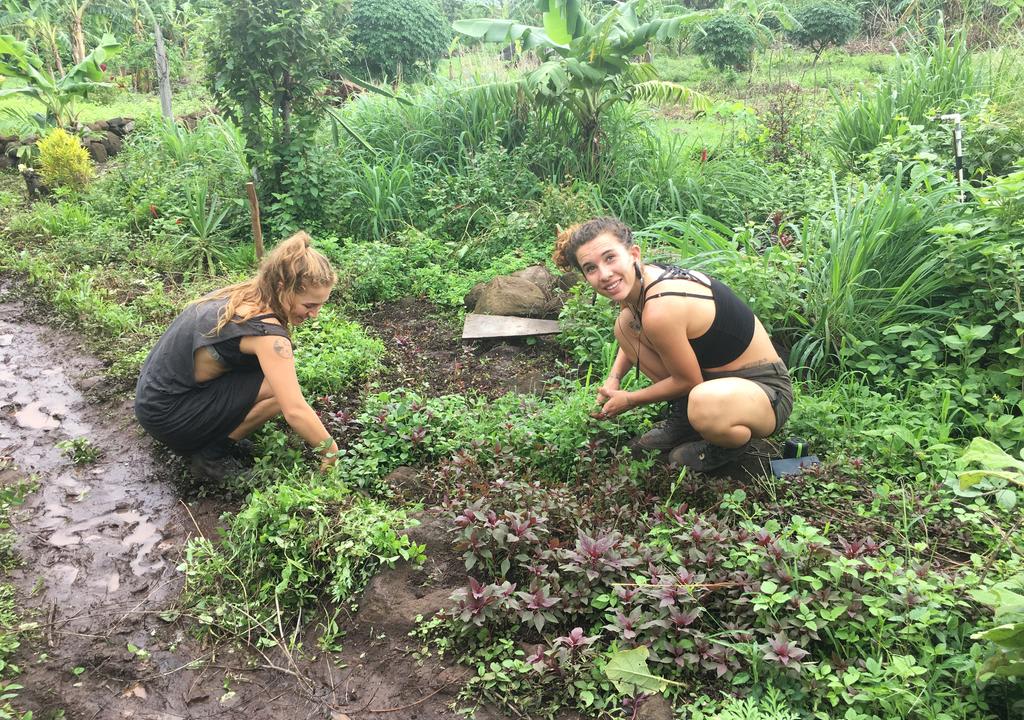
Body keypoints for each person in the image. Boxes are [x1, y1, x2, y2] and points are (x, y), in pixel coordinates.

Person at [553, 217, 793, 472]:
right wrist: (614, 378)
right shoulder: (640, 281)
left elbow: (688, 381)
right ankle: (686, 419)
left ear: (634, 254)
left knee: (702, 400)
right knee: (625, 326)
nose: (604, 274)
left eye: (610, 258)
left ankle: (727, 445)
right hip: (716, 378)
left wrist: (630, 400)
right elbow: (631, 333)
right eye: (591, 268)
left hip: (767, 392)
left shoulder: (661, 307)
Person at [135, 231, 339, 480]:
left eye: (320, 305)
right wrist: (331, 452)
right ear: (282, 287)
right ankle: (210, 455)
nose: (315, 314)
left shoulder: (247, 294)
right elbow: (294, 409)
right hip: (169, 416)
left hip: (152, 401)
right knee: (279, 390)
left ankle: (217, 432)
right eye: (309, 305)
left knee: (273, 375)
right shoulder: (267, 334)